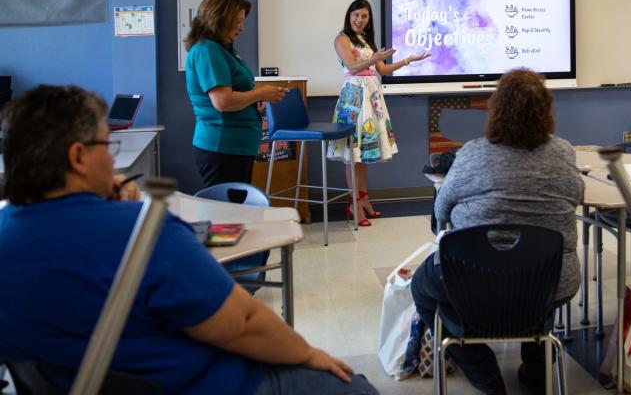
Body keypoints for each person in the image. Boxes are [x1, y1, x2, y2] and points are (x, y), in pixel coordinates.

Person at [0, 85, 377, 395]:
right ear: (79, 157)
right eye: (107, 146)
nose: (112, 161)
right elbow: (243, 322)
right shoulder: (142, 231)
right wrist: (308, 353)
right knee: (355, 389)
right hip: (207, 384)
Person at [411, 68, 584, 395]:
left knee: (422, 289)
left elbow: (440, 210)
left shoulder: (472, 153)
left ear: (496, 108)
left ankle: (485, 375)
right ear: (546, 109)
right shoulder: (563, 152)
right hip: (548, 282)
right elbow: (576, 197)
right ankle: (536, 373)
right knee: (539, 293)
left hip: (472, 282)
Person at [328, 0, 428, 225]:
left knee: (363, 155)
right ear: (349, 15)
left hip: (371, 96)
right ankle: (354, 204)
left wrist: (408, 60)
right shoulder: (341, 39)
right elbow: (353, 67)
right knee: (352, 155)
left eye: (364, 16)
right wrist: (373, 58)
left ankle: (364, 200)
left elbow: (381, 69)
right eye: (356, 15)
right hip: (354, 97)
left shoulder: (366, 40)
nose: (359, 20)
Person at [185, 0, 288, 188]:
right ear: (220, 18)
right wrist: (261, 93)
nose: (242, 27)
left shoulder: (224, 49)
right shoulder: (207, 51)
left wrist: (256, 96)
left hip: (237, 146)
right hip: (222, 146)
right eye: (238, 21)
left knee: (236, 212)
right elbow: (223, 102)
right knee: (226, 214)